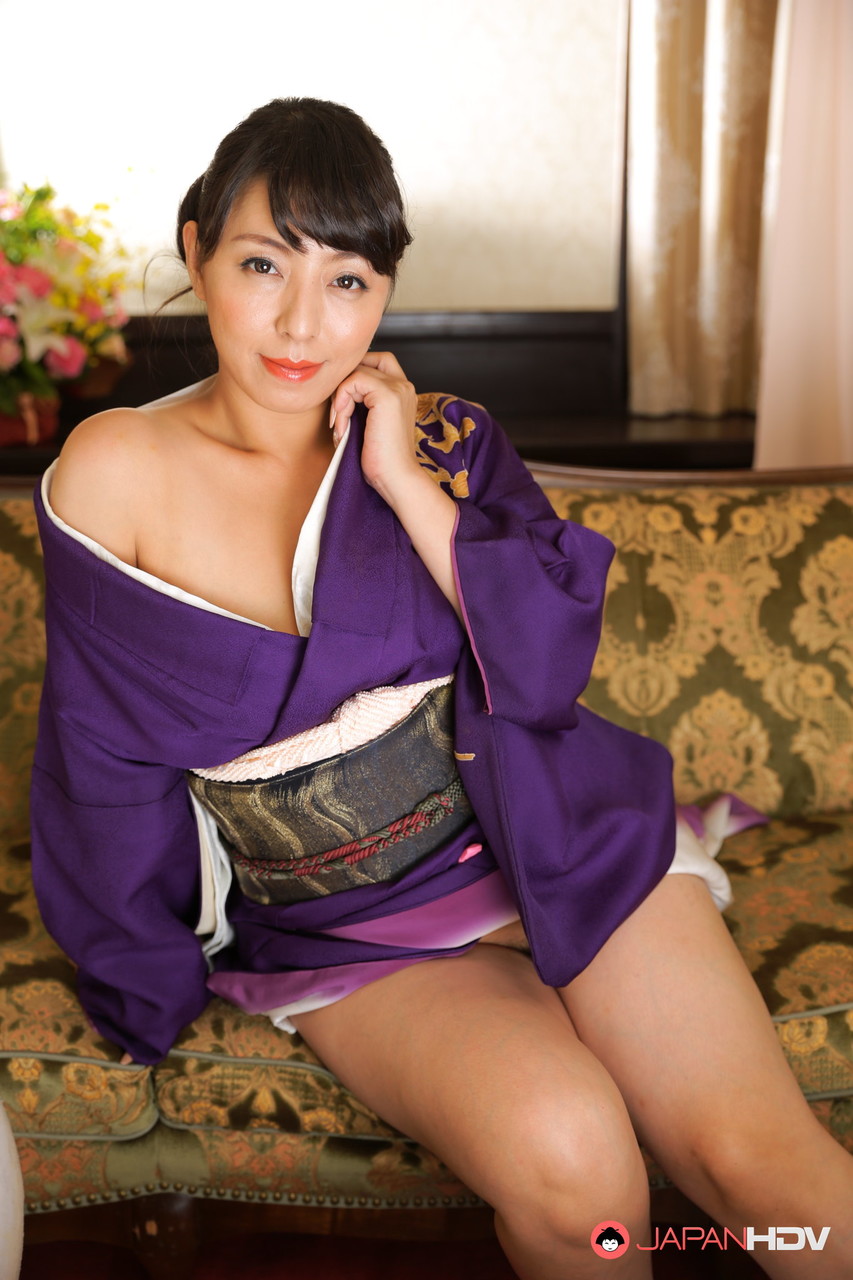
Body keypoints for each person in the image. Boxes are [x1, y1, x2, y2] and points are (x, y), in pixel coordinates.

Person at [31, 99, 853, 1279]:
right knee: (581, 1173)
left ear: (384, 293)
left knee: (759, 1163)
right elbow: (99, 760)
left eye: (348, 280)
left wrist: (407, 483)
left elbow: (547, 669)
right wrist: (141, 981)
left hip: (553, 835)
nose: (303, 322)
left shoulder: (442, 441)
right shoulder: (115, 469)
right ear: (197, 247)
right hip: (349, 928)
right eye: (263, 264)